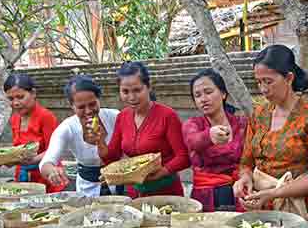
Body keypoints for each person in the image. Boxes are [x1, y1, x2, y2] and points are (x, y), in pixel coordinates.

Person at [233, 44, 308, 221]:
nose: (263, 89)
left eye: (268, 81)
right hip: (261, 207)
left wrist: (275, 192)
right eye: (259, 82)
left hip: (301, 209)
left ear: (288, 78)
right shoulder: (259, 115)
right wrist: (244, 180)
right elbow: (246, 163)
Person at [92, 61, 190, 198]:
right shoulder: (122, 117)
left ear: (149, 87)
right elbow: (112, 158)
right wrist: (100, 142)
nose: (131, 97)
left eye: (137, 90)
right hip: (135, 193)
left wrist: (160, 173)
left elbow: (184, 157)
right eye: (125, 91)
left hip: (166, 193)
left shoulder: (167, 115)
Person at [39, 75, 119, 197]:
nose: (88, 111)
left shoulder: (115, 117)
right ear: (72, 106)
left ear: (99, 99)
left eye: (92, 104)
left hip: (121, 187)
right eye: (81, 107)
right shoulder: (67, 128)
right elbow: (46, 162)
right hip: (87, 192)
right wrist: (52, 171)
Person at [183, 69, 248, 212]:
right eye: (197, 95)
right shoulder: (193, 125)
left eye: (208, 92)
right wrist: (209, 136)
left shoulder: (242, 124)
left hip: (241, 193)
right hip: (206, 197)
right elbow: (192, 141)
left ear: (223, 94)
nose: (203, 99)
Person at [4, 73, 65, 193]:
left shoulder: (45, 117)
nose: (15, 103)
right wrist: (7, 159)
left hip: (47, 177)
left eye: (20, 97)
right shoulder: (15, 118)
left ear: (33, 93)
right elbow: (17, 150)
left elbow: (55, 150)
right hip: (23, 178)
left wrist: (33, 160)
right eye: (11, 99)